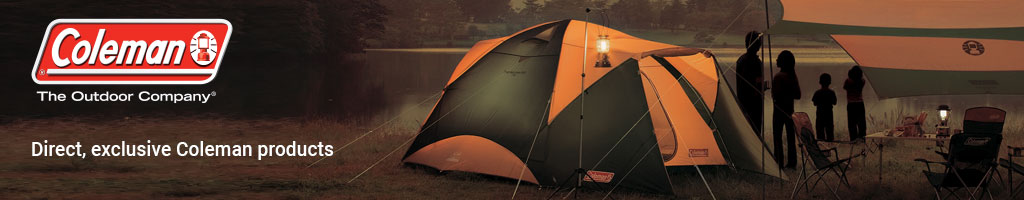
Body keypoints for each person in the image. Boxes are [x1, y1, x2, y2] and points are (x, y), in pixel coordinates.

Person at [772, 50, 800, 168]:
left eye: (778, 58)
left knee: (777, 137)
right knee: (791, 139)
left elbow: (775, 95)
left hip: (779, 111)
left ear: (783, 62)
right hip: (790, 111)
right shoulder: (792, 76)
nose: (776, 60)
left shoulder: (779, 76)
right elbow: (798, 95)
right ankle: (792, 162)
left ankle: (778, 162)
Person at [736, 31, 765, 137]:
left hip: (743, 101)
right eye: (759, 43)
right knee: (755, 132)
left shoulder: (741, 60)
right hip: (754, 104)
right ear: (757, 44)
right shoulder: (755, 62)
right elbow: (756, 84)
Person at [844, 66, 867, 141]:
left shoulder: (848, 81)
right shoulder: (862, 81)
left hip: (851, 104)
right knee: (861, 123)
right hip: (860, 104)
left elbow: (845, 87)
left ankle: (853, 139)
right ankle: (862, 138)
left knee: (852, 124)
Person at [812, 73, 836, 142]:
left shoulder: (817, 92)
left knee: (820, 135)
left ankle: (822, 149)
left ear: (820, 82)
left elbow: (814, 103)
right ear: (830, 82)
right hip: (829, 115)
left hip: (820, 115)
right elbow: (834, 103)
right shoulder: (831, 92)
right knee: (830, 134)